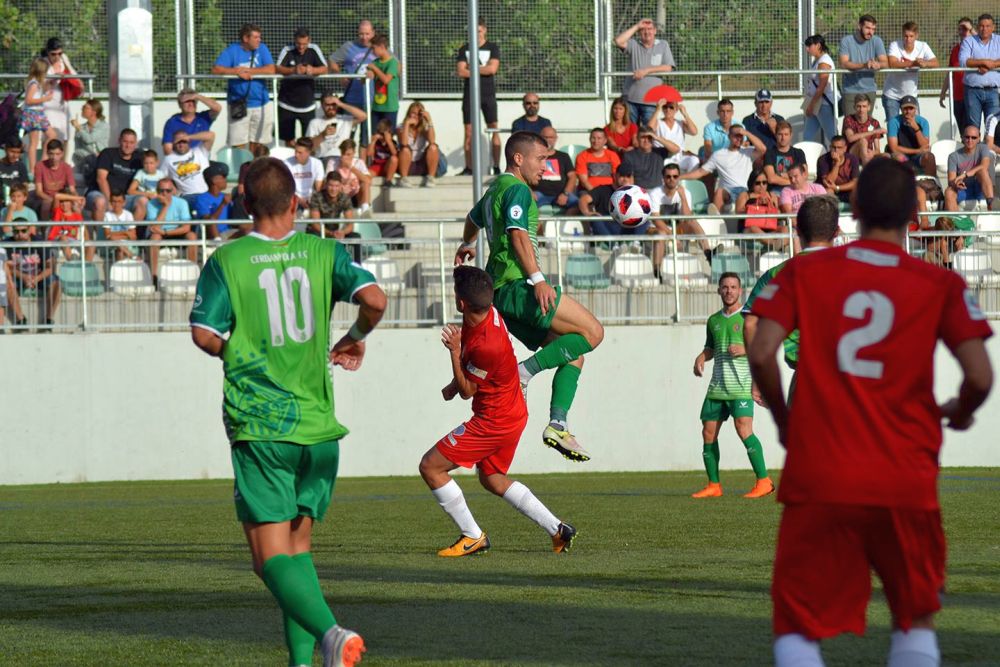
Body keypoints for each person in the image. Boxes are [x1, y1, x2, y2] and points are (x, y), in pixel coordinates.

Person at [747, 157, 993, 667]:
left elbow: (763, 347)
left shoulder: (805, 271)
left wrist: (783, 419)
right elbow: (980, 377)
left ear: (852, 209)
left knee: (797, 624)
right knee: (914, 619)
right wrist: (961, 409)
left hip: (821, 470)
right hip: (905, 474)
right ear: (914, 213)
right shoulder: (939, 283)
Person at [189, 156, 386, 667]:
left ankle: (332, 634)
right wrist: (355, 338)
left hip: (261, 425)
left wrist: (233, 352)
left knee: (268, 558)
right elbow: (376, 300)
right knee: (297, 554)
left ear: (243, 202)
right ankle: (306, 662)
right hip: (318, 429)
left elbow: (204, 334)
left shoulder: (227, 261)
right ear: (296, 202)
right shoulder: (325, 252)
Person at [456, 132, 605, 462]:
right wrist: (537, 280)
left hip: (500, 296)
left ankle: (558, 425)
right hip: (517, 286)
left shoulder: (495, 188)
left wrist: (467, 245)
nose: (546, 167)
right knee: (593, 333)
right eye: (541, 159)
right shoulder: (518, 190)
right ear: (519, 159)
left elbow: (472, 219)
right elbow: (518, 235)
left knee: (571, 354)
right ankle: (522, 374)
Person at [420, 265, 577, 557]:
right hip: (511, 411)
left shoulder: (485, 344)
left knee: (431, 466)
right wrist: (456, 382)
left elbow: (470, 390)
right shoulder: (485, 313)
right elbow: (472, 378)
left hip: (494, 420)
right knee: (492, 478)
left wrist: (454, 354)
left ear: (462, 302)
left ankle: (472, 536)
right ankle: (558, 529)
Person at [742, 195, 840, 406]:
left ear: (798, 232)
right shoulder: (859, 270)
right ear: (837, 232)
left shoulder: (778, 274)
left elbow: (751, 324)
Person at [691, 272, 774, 499]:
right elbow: (710, 348)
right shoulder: (714, 321)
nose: (729, 291)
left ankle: (764, 481)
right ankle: (714, 485)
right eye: (725, 287)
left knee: (744, 430)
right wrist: (701, 356)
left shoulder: (750, 319)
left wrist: (745, 350)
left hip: (741, 386)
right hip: (717, 387)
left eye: (733, 287)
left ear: (740, 291)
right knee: (708, 433)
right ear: (718, 290)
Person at [212, 23, 276, 152]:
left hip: (261, 103)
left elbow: (271, 69)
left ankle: (255, 169)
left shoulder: (262, 48)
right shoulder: (232, 50)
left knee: (258, 144)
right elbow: (216, 69)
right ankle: (241, 170)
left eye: (259, 37)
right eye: (256, 37)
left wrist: (250, 71)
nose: (259, 40)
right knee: (238, 144)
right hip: (239, 104)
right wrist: (236, 71)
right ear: (246, 38)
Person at [682, 125, 767, 213]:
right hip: (728, 192)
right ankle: (717, 221)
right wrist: (680, 177)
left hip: (745, 191)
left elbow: (763, 149)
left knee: (730, 192)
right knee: (719, 191)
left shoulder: (748, 152)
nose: (739, 138)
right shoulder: (718, 155)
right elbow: (701, 172)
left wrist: (746, 133)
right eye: (735, 136)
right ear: (729, 136)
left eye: (741, 136)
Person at [456, 18, 501, 175]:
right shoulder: (464, 49)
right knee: (468, 131)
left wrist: (472, 67)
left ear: (485, 30)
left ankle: (496, 166)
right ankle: (469, 167)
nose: (477, 34)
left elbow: (492, 69)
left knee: (494, 128)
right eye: (473, 31)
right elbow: (461, 71)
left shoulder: (492, 47)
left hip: (488, 94)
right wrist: (483, 67)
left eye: (479, 30)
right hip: (469, 94)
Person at [648, 163, 713, 268]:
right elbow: (656, 220)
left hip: (677, 228)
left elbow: (688, 217)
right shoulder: (655, 193)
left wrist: (683, 197)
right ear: (663, 178)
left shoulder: (685, 192)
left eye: (675, 176)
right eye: (668, 176)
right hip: (657, 228)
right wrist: (673, 237)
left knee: (692, 221)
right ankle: (657, 271)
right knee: (661, 233)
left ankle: (708, 253)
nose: (672, 179)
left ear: (679, 178)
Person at [613, 17, 676, 126]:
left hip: (651, 101)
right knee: (630, 132)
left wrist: (647, 70)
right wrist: (637, 26)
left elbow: (668, 68)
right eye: (643, 30)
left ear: (655, 31)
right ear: (639, 32)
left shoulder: (663, 45)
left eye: (650, 29)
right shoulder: (633, 44)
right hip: (630, 99)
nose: (647, 32)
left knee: (648, 134)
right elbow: (618, 41)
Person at [275, 28, 328, 147]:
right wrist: (293, 70)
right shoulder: (287, 49)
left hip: (307, 105)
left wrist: (312, 70)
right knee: (288, 139)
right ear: (294, 40)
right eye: (298, 44)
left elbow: (325, 68)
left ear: (309, 41)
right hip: (286, 103)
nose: (301, 47)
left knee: (308, 140)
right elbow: (277, 68)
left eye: (304, 44)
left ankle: (305, 161)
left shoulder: (314, 49)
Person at [88, 128, 146, 223]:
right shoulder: (108, 153)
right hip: (101, 193)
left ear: (136, 143)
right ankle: (101, 236)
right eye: (125, 142)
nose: (128, 145)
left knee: (143, 201)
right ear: (119, 141)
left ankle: (129, 234)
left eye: (131, 142)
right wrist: (110, 201)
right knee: (100, 202)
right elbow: (101, 179)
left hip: (125, 197)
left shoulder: (139, 158)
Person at [8, 223, 60, 328]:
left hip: (39, 276)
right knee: (6, 282)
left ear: (29, 231)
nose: (20, 234)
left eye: (23, 231)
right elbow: (6, 268)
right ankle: (20, 319)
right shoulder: (7, 243)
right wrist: (23, 277)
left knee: (56, 282)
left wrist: (36, 279)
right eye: (16, 232)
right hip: (18, 277)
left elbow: (50, 267)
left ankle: (48, 319)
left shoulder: (39, 241)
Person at [883, 22, 938, 121]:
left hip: (911, 94)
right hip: (891, 94)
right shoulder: (894, 45)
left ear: (917, 35)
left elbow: (935, 63)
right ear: (902, 35)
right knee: (893, 127)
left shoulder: (923, 46)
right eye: (905, 36)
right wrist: (914, 63)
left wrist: (925, 63)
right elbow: (893, 63)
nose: (908, 39)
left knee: (915, 126)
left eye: (911, 36)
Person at [837, 15, 887, 117]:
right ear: (859, 26)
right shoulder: (847, 41)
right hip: (850, 90)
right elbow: (843, 63)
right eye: (867, 28)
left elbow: (885, 63)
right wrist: (864, 65)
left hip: (870, 90)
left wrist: (878, 64)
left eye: (873, 29)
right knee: (849, 125)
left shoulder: (877, 41)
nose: (871, 32)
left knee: (866, 125)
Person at [145, 178, 196, 275]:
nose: (164, 193)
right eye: (161, 190)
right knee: (154, 238)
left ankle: (192, 272)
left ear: (173, 191)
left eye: (168, 190)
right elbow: (153, 227)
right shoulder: (151, 204)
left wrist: (166, 232)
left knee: (192, 236)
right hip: (159, 234)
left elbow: (186, 227)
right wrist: (165, 207)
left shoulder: (182, 203)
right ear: (157, 191)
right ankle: (153, 275)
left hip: (175, 232)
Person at [959, 14, 1000, 132]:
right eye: (981, 26)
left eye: (988, 26)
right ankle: (974, 151)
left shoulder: (999, 40)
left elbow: (992, 64)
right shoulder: (968, 41)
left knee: (992, 128)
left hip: (993, 91)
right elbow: (963, 61)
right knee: (973, 127)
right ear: (977, 27)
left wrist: (992, 65)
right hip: (972, 91)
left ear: (993, 27)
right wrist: (983, 62)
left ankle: (990, 151)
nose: (984, 29)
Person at [330, 20, 378, 117]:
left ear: (373, 33)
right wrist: (340, 76)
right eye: (361, 34)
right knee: (348, 130)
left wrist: (377, 74)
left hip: (373, 99)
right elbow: (332, 61)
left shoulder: (379, 47)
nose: (364, 37)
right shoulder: (348, 46)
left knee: (367, 131)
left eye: (367, 34)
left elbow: (396, 65)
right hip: (351, 99)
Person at [944, 126, 994, 211]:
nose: (970, 140)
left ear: (979, 138)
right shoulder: (953, 156)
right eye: (967, 137)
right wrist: (957, 183)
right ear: (962, 138)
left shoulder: (983, 148)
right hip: (963, 189)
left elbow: (984, 166)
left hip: (981, 188)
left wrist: (964, 175)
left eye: (973, 138)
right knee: (949, 192)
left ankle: (990, 209)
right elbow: (951, 180)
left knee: (982, 171)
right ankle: (958, 222)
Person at [32, 139, 84, 222]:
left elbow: (72, 189)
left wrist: (76, 198)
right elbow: (39, 191)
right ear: (47, 153)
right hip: (45, 198)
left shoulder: (67, 167)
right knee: (46, 204)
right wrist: (52, 199)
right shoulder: (40, 166)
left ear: (62, 154)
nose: (54, 157)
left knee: (76, 206)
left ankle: (78, 230)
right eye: (51, 154)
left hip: (61, 197)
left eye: (57, 154)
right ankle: (46, 231)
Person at [21, 57, 57, 175]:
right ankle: (32, 169)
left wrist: (49, 87)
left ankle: (41, 162)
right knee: (34, 142)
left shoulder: (37, 83)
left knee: (52, 135)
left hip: (39, 113)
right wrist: (45, 98)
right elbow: (29, 100)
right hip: (33, 113)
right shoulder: (34, 84)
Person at [575, 127, 621, 218]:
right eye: (593, 138)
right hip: (589, 190)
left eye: (599, 138)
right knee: (588, 203)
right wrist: (597, 194)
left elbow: (617, 177)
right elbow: (584, 181)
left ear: (605, 141)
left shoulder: (612, 155)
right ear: (589, 139)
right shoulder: (582, 156)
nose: (596, 141)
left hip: (609, 190)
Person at [534, 126, 579, 216]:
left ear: (555, 139)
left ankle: (564, 228)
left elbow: (572, 177)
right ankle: (539, 229)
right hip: (539, 193)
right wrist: (530, 191)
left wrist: (566, 194)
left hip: (561, 193)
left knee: (578, 204)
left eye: (550, 137)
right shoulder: (534, 156)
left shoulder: (564, 156)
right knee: (527, 203)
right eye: (545, 137)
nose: (547, 140)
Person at [306, 94, 368, 159]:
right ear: (322, 105)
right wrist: (323, 134)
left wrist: (341, 104)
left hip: (341, 158)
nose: (331, 107)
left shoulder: (345, 120)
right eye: (327, 105)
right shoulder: (314, 122)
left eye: (333, 104)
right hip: (323, 158)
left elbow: (363, 116)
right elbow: (310, 147)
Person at [162, 89, 222, 155]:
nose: (191, 104)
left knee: (222, 166)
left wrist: (197, 96)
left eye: (193, 101)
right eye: (187, 101)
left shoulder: (204, 118)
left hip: (202, 161)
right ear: (180, 105)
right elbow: (167, 149)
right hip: (181, 160)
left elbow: (217, 108)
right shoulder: (172, 122)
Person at [940, 18, 975, 130]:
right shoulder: (955, 49)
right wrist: (943, 92)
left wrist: (971, 30)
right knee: (962, 132)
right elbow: (950, 72)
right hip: (957, 96)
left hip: (971, 95)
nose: (963, 32)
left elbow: (983, 41)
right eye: (960, 29)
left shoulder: (977, 47)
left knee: (971, 130)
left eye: (965, 29)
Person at [886, 95, 935, 174]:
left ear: (915, 109)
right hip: (901, 155)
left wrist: (916, 129)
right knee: (899, 157)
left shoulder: (923, 122)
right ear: (901, 109)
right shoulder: (893, 122)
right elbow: (894, 148)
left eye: (911, 108)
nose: (908, 112)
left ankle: (931, 183)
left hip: (917, 156)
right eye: (905, 108)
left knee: (930, 157)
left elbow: (925, 145)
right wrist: (917, 150)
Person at [397, 101, 441, 188]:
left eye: (418, 114)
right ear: (408, 113)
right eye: (413, 113)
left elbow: (432, 141)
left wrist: (429, 120)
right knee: (405, 149)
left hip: (421, 162)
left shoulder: (424, 127)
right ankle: (403, 178)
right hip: (407, 163)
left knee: (433, 147)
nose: (415, 116)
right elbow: (404, 143)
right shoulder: (401, 127)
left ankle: (431, 177)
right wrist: (407, 124)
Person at [803, 35, 837, 146]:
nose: (807, 49)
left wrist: (811, 105)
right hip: (816, 104)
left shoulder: (824, 62)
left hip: (823, 105)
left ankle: (841, 159)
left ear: (818, 45)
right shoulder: (817, 61)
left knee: (832, 137)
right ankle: (805, 160)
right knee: (807, 136)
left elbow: (822, 86)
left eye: (809, 45)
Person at [736, 167, 785, 244]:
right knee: (753, 228)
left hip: (769, 230)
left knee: (784, 229)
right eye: (758, 183)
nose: (762, 186)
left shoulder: (772, 196)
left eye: (764, 182)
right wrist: (755, 206)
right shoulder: (745, 195)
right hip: (750, 230)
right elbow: (738, 213)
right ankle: (773, 244)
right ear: (752, 183)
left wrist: (771, 206)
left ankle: (779, 245)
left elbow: (779, 213)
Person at [163, 132, 212, 206]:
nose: (181, 144)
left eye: (184, 141)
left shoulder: (199, 151)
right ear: (173, 143)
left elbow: (211, 136)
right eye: (178, 142)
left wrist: (189, 137)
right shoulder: (168, 159)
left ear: (189, 141)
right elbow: (161, 178)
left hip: (205, 193)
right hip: (186, 196)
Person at [649, 100, 699, 171]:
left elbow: (694, 132)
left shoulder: (680, 123)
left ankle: (689, 181)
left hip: (679, 157)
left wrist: (685, 114)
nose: (668, 110)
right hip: (663, 157)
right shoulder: (658, 123)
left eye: (671, 107)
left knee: (694, 160)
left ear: (676, 109)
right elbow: (649, 129)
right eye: (665, 107)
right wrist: (657, 110)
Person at [366, 33, 400, 138]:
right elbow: (367, 79)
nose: (372, 51)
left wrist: (375, 69)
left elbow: (386, 80)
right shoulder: (375, 62)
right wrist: (367, 75)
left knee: (388, 137)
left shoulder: (392, 63)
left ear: (382, 47)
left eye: (374, 48)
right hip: (376, 107)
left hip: (389, 107)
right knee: (375, 136)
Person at [41, 38, 75, 141]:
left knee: (64, 136)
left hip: (62, 102)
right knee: (50, 138)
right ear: (48, 52)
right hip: (48, 103)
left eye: (59, 53)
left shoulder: (63, 58)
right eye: (53, 54)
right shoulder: (42, 62)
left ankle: (62, 157)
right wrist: (53, 78)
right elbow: (38, 87)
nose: (57, 57)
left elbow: (73, 74)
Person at [326, 139, 371, 214]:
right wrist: (343, 181)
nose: (346, 157)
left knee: (365, 184)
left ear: (354, 153)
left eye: (349, 154)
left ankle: (364, 209)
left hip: (355, 194)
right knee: (333, 185)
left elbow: (368, 180)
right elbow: (327, 179)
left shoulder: (359, 162)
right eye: (344, 154)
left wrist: (351, 167)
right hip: (339, 192)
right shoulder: (333, 162)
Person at [70, 98, 109, 181]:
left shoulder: (103, 126)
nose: (82, 109)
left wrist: (78, 128)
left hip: (98, 163)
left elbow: (89, 139)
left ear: (94, 112)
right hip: (82, 162)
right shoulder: (82, 127)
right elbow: (78, 147)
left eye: (85, 107)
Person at [815, 135, 860, 205]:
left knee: (858, 193)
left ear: (845, 148)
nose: (836, 150)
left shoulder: (852, 159)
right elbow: (828, 183)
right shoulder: (823, 160)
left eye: (839, 147)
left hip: (846, 190)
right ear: (830, 147)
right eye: (833, 147)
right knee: (828, 191)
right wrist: (837, 164)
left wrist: (837, 188)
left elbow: (855, 182)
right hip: (828, 190)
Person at [192, 166, 233, 240]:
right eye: (223, 177)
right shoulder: (201, 199)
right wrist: (222, 204)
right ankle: (218, 245)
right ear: (214, 180)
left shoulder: (226, 196)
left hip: (228, 233)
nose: (225, 180)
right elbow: (209, 221)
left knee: (246, 230)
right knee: (211, 220)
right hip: (212, 236)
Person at [763, 122, 806, 192]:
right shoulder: (769, 153)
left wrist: (780, 176)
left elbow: (804, 175)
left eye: (786, 134)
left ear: (791, 135)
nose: (783, 138)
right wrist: (793, 180)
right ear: (776, 135)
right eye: (780, 134)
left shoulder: (798, 153)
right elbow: (771, 179)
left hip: (796, 189)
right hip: (776, 190)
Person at [842, 94, 885, 165]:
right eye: (859, 106)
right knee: (863, 141)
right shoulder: (849, 119)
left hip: (868, 154)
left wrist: (872, 153)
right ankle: (867, 173)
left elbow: (878, 150)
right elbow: (850, 138)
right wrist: (874, 131)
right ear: (854, 107)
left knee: (886, 156)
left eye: (864, 106)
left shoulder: (874, 122)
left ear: (869, 107)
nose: (861, 110)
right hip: (852, 153)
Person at [284, 137, 325, 206]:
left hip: (311, 200)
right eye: (295, 151)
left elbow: (319, 188)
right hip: (293, 199)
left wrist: (313, 201)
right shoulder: (287, 163)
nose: (296, 155)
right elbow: (286, 188)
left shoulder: (317, 164)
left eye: (300, 152)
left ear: (308, 152)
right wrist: (299, 200)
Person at [103, 190, 139, 261]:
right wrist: (126, 233)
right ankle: (131, 255)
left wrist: (114, 235)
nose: (116, 204)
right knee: (117, 248)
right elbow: (107, 235)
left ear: (124, 203)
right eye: (114, 201)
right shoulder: (107, 215)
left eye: (119, 201)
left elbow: (133, 236)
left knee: (118, 247)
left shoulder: (128, 215)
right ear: (110, 202)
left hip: (127, 245)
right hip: (112, 246)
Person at [367, 118, 399, 186]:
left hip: (387, 166)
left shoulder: (392, 143)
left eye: (383, 134)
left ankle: (388, 181)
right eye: (380, 133)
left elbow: (394, 153)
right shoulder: (376, 142)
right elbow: (369, 154)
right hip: (377, 166)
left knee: (394, 159)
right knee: (366, 174)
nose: (382, 136)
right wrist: (373, 141)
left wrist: (388, 141)